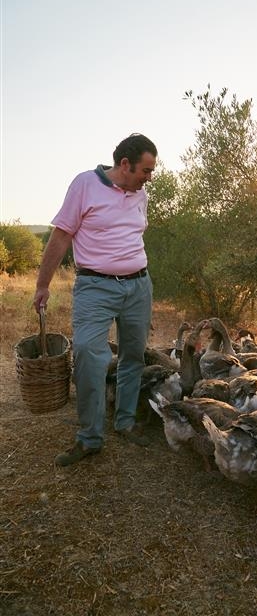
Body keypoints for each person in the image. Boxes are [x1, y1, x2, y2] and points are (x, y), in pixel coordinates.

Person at [33, 133, 157, 466]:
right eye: (146, 170)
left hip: (139, 287)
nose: (149, 178)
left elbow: (131, 237)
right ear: (125, 164)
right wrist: (42, 284)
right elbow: (61, 235)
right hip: (95, 288)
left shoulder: (140, 195)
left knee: (134, 355)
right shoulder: (85, 184)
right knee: (89, 353)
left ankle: (125, 421)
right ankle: (90, 438)